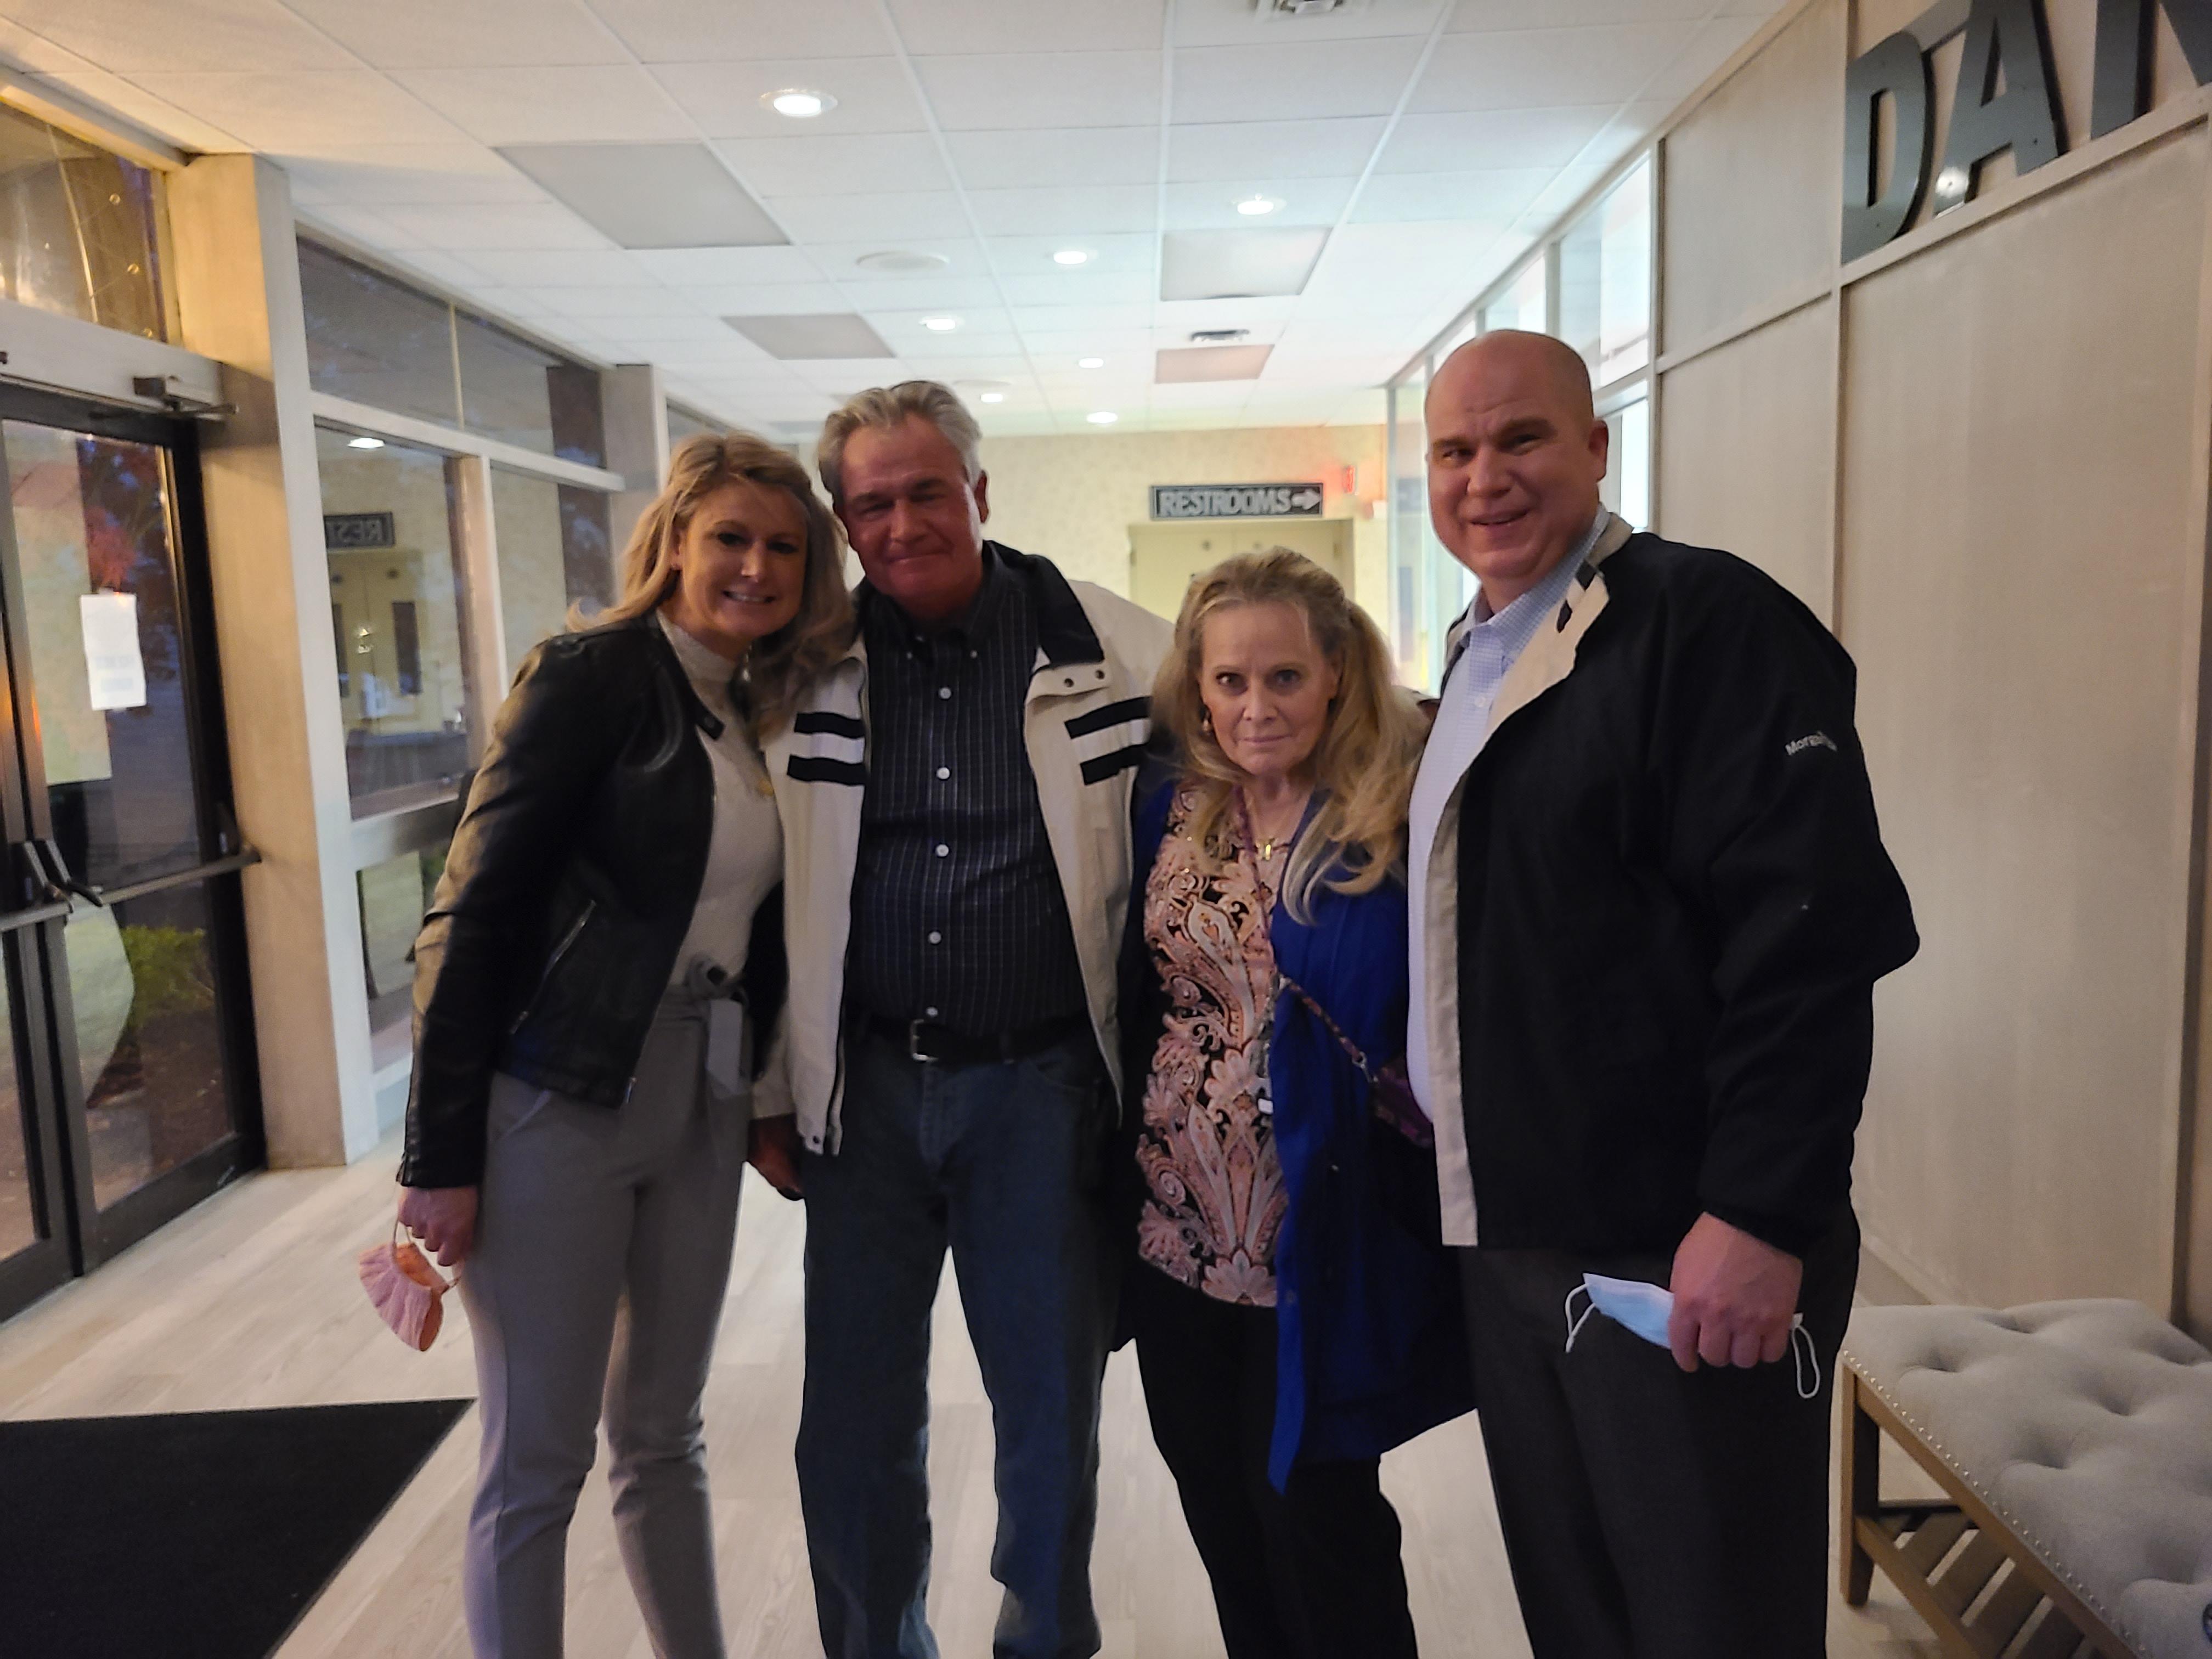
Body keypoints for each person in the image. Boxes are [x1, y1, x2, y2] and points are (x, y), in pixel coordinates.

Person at [1407, 329, 1919, 1659]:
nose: (1484, 478)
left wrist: (1759, 1212)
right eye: (1454, 451)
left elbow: (1810, 937)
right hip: (1514, 1233)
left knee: (1710, 1620)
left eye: (1521, 439)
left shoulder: (1709, 623)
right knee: (1580, 1613)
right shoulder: (1478, 652)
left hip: (1674, 1246)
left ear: (1596, 446)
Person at [394, 433, 852, 1659]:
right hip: (558, 1093)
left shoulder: (760, 704)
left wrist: (764, 1096)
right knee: (537, 1454)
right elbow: (469, 919)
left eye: (784, 548)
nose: (756, 568)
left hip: (702, 1093)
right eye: (730, 539)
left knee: (662, 1433)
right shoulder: (589, 675)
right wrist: (438, 1157)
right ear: (675, 542)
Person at [755, 381, 1171, 1659]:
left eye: (927, 492)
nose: (901, 525)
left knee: (1048, 1409)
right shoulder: (803, 669)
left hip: (1039, 1090)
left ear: (980, 493)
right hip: (864, 1094)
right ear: (843, 522)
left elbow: (1273, 717)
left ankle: (1045, 1639)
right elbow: (756, 887)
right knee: (852, 1420)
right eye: (870, 504)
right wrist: (766, 1090)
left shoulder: (1109, 644)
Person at [1116, 549, 1471, 1659]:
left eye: (1283, 677)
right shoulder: (1171, 806)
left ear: (1336, 675)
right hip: (1176, 1229)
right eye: (1229, 681)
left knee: (1320, 1519)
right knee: (1219, 1507)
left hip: (1317, 1230)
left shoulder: (1395, 811)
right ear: (1196, 685)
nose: (1254, 707)